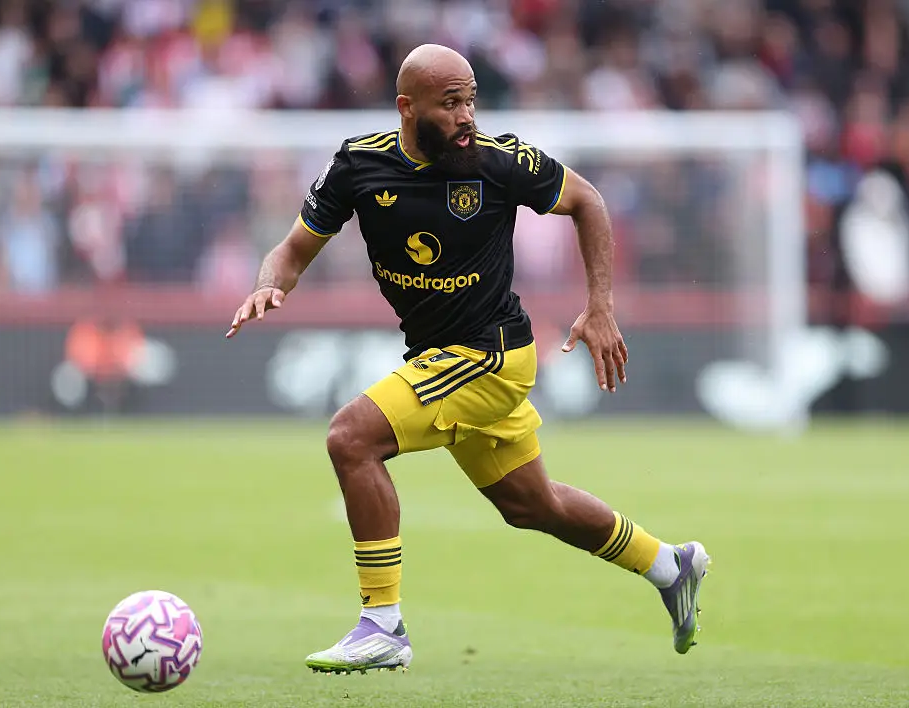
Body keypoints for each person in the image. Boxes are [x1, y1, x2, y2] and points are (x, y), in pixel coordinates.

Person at [226, 44, 710, 674]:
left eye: (471, 99)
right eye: (451, 103)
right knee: (533, 506)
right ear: (408, 108)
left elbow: (589, 202)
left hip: (489, 355)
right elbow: (291, 250)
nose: (467, 116)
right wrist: (271, 283)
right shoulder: (359, 164)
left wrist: (600, 305)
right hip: (443, 357)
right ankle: (669, 564)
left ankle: (383, 625)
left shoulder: (500, 162)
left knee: (350, 438)